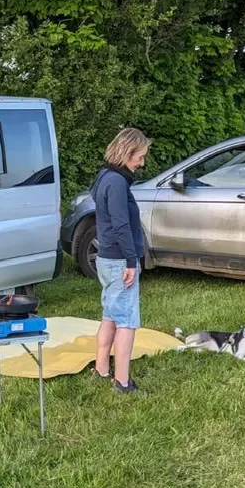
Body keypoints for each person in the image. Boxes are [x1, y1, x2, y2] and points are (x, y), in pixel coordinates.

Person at [91, 127, 152, 393]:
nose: (142, 163)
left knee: (110, 315)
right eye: (139, 157)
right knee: (127, 319)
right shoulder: (116, 182)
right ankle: (123, 381)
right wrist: (131, 260)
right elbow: (120, 225)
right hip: (118, 260)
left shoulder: (105, 176)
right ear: (127, 153)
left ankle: (102, 368)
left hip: (107, 258)